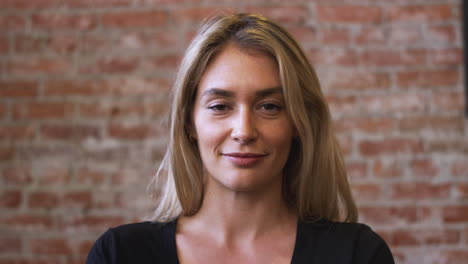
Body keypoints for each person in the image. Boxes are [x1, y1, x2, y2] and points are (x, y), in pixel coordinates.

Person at [86, 13, 394, 264]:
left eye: (269, 107)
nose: (244, 131)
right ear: (188, 123)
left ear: (299, 122)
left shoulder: (358, 255)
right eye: (220, 107)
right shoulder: (120, 254)